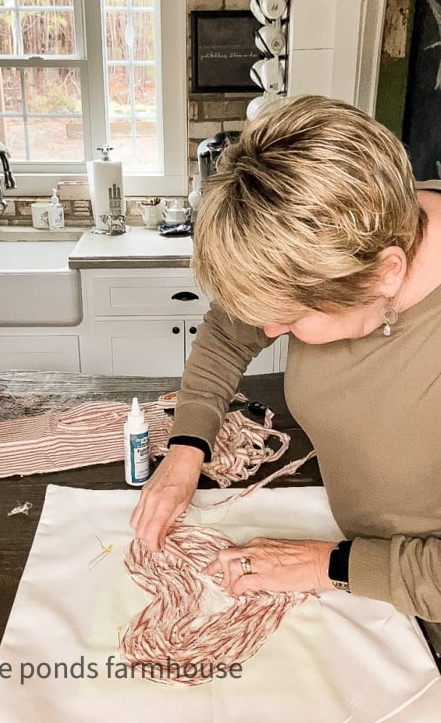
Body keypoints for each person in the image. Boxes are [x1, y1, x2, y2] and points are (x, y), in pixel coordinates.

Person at [130, 94, 441, 654]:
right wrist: (186, 448)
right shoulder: (335, 236)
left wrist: (330, 564)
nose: (268, 328)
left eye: (292, 318)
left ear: (386, 275)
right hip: (363, 571)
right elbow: (229, 332)